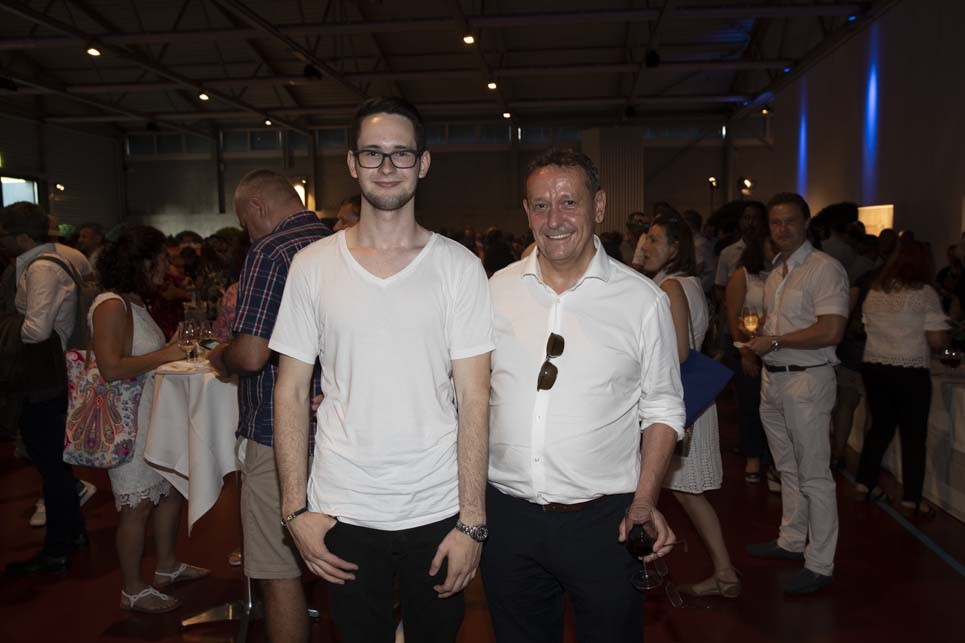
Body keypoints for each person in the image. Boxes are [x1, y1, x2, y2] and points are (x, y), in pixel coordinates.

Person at [270, 96, 493, 643]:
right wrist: (294, 510)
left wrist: (472, 521)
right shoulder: (311, 266)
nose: (387, 166)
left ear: (424, 162)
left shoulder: (459, 268)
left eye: (401, 153)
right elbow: (291, 391)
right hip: (342, 508)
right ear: (352, 163)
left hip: (437, 506)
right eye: (373, 153)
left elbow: (475, 398)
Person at [483, 148, 684, 642]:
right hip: (507, 517)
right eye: (540, 205)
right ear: (526, 211)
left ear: (599, 207)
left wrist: (645, 500)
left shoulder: (642, 301)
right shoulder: (493, 291)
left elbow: (662, 406)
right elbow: (460, 389)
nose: (554, 219)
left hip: (604, 522)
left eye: (569, 202)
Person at [207, 170, 331, 643]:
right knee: (344, 560)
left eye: (244, 221)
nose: (247, 232)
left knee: (278, 572)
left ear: (257, 206)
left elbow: (252, 355)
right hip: (339, 428)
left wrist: (222, 357)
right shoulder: (339, 242)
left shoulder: (269, 251)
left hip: (278, 431)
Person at [89, 226, 209, 612]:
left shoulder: (134, 303)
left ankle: (167, 565)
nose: (168, 268)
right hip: (129, 422)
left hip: (152, 415)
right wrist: (168, 353)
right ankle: (132, 588)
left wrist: (171, 348)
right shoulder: (111, 305)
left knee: (169, 490)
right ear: (144, 263)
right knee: (136, 506)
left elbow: (143, 357)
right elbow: (110, 367)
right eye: (162, 261)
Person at [744, 193, 849, 595]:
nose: (782, 229)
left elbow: (831, 330)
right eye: (775, 222)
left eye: (790, 221)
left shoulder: (824, 268)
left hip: (807, 379)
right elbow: (781, 327)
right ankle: (791, 540)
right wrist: (764, 339)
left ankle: (820, 563)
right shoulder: (777, 272)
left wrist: (774, 341)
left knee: (815, 474)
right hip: (774, 378)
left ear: (806, 224)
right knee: (786, 467)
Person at [638, 211, 740, 598]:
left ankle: (725, 572)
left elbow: (679, 351)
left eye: (654, 239)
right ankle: (723, 573)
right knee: (680, 492)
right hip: (690, 400)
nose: (645, 245)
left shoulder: (670, 287)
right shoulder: (688, 283)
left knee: (684, 493)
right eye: (646, 238)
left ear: (675, 248)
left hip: (679, 402)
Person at [2, 202, 92, 577]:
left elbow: (37, 330)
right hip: (51, 375)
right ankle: (72, 533)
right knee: (55, 463)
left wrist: (8, 328)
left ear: (22, 237)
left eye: (5, 234)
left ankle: (57, 549)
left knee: (51, 466)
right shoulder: (53, 261)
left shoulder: (41, 269)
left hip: (44, 378)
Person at [854, 239, 949, 518]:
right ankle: (911, 499)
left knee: (879, 428)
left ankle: (864, 483)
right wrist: (946, 337)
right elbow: (937, 341)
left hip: (874, 366)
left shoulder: (875, 291)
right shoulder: (925, 294)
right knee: (913, 435)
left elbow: (866, 327)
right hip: (909, 369)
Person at [725, 232, 778, 486]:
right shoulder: (744, 275)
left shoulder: (783, 274)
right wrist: (744, 352)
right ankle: (753, 457)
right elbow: (733, 314)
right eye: (771, 242)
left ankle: (774, 461)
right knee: (751, 406)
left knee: (775, 409)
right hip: (748, 347)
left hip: (776, 349)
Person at [714, 201, 766, 303]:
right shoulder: (728, 253)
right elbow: (720, 287)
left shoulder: (769, 251)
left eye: (755, 218)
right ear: (740, 221)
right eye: (746, 218)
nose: (750, 222)